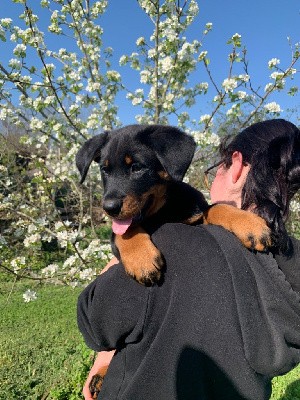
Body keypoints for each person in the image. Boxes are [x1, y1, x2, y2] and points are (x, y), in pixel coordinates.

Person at [77, 119, 300, 400]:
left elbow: (95, 322)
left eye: (136, 168)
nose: (111, 197)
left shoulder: (185, 222)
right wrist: (127, 241)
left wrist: (113, 271)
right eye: (107, 172)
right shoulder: (291, 258)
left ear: (237, 164)